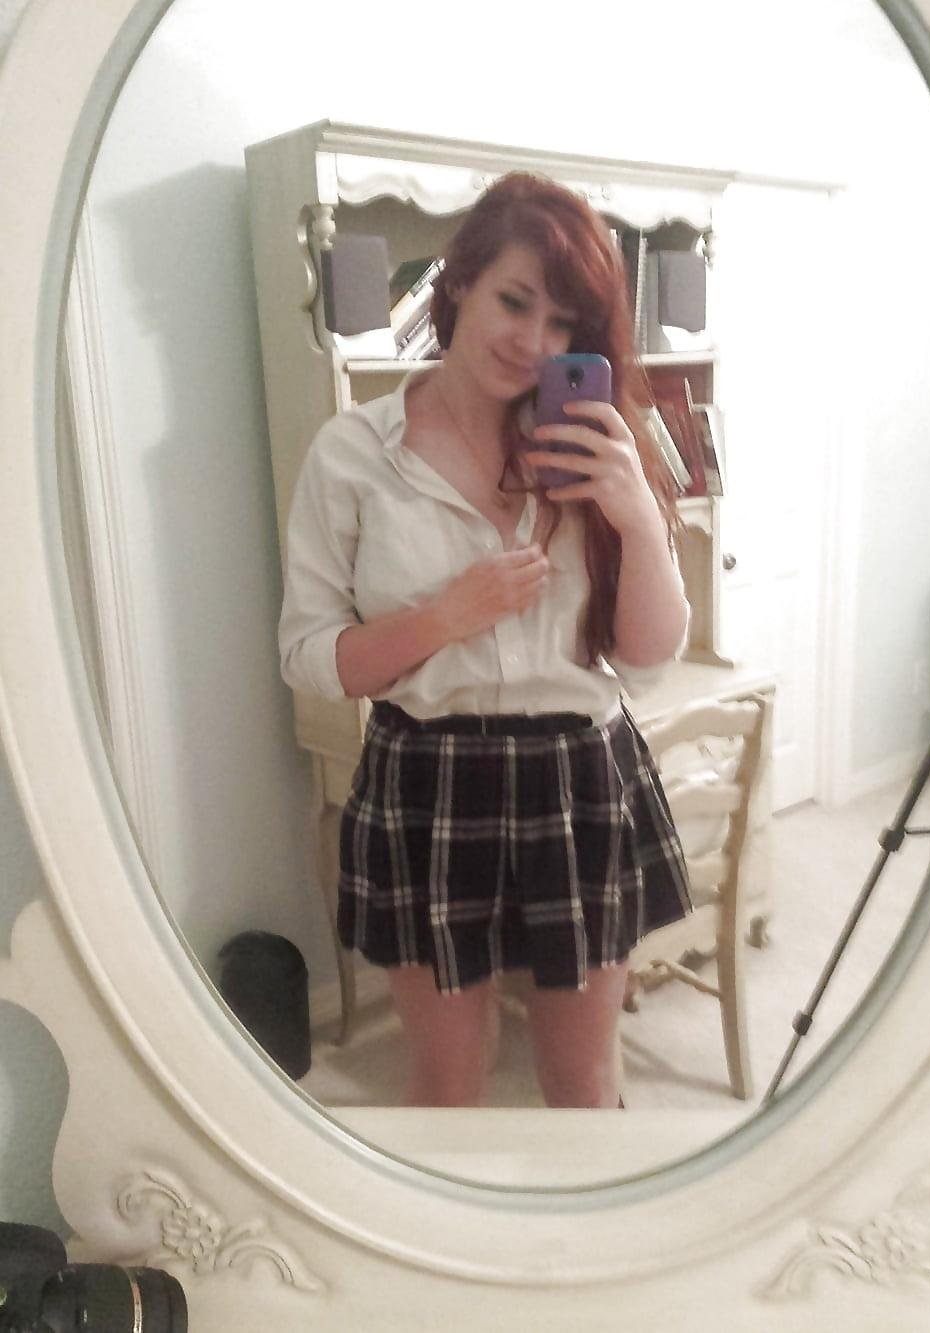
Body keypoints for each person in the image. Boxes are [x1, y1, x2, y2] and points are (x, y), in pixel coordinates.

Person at [279, 172, 692, 1109]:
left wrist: (637, 515)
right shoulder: (355, 452)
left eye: (563, 323)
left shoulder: (599, 443)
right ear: (458, 280)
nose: (535, 341)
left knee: (583, 1081)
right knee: (446, 1083)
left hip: (578, 778)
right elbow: (308, 654)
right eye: (515, 300)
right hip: (427, 781)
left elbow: (647, 657)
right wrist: (442, 618)